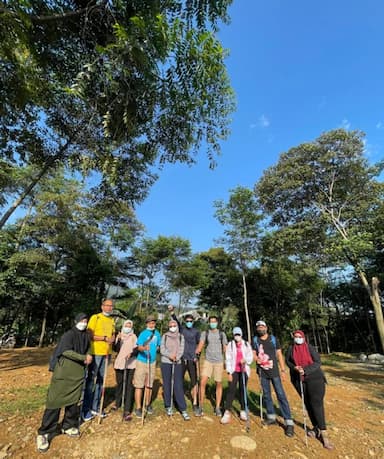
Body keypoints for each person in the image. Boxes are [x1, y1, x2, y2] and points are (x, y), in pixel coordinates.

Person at [36, 313, 92, 453]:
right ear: (76, 321)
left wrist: (89, 354)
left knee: (73, 402)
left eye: (86, 321)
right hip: (63, 374)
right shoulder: (68, 335)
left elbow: (89, 348)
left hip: (77, 374)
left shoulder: (86, 336)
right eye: (82, 320)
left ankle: (68, 426)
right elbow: (66, 351)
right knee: (54, 402)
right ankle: (44, 433)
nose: (84, 323)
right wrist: (83, 357)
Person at [285, 330, 334, 449]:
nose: (297, 339)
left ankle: (324, 434)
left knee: (316, 404)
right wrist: (295, 367)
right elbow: (288, 361)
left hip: (315, 378)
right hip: (299, 380)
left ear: (303, 337)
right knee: (307, 403)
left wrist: (305, 370)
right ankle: (316, 427)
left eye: (299, 337)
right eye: (295, 337)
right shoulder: (291, 349)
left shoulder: (310, 348)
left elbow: (318, 362)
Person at [253, 320, 294, 437]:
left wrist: (283, 370)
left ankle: (289, 422)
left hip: (275, 372)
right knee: (266, 395)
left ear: (266, 327)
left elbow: (279, 354)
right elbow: (253, 353)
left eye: (262, 326)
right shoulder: (255, 340)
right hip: (262, 372)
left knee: (281, 395)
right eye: (258, 327)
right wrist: (256, 359)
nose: (261, 328)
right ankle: (271, 416)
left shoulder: (273, 339)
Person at [81, 298, 115, 421]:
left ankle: (96, 407)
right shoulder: (96, 317)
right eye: (107, 305)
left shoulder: (112, 320)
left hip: (107, 354)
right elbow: (89, 334)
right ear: (102, 306)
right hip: (96, 353)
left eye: (111, 306)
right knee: (91, 381)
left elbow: (113, 334)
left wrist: (113, 338)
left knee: (101, 381)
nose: (109, 308)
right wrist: (105, 338)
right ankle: (85, 409)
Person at [168, 305, 201, 415]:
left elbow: (199, 344)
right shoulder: (182, 329)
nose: (189, 322)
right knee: (179, 380)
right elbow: (175, 320)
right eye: (187, 321)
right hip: (182, 359)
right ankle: (177, 400)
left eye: (190, 321)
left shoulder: (196, 332)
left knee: (194, 381)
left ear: (193, 321)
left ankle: (195, 403)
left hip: (192, 359)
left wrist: (197, 355)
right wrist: (172, 312)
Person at [196, 315, 228, 416]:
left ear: (217, 323)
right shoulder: (205, 333)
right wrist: (197, 351)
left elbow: (225, 347)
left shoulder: (222, 334)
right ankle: (200, 406)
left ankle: (217, 407)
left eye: (214, 321)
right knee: (202, 382)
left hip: (218, 361)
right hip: (208, 360)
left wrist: (226, 360)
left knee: (218, 383)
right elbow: (201, 344)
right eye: (211, 321)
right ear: (209, 323)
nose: (212, 323)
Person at [221, 327, 253, 424]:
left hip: (244, 370)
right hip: (234, 370)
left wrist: (245, 360)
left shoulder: (246, 344)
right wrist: (229, 372)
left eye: (238, 334)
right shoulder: (230, 345)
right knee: (231, 390)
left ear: (241, 335)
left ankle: (243, 410)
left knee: (243, 390)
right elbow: (228, 359)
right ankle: (227, 412)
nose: (237, 336)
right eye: (235, 334)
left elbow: (250, 357)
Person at [160, 318, 190, 420]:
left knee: (178, 385)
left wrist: (176, 357)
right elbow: (162, 349)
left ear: (177, 326)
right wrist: (169, 355)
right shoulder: (164, 336)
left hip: (177, 362)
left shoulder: (181, 337)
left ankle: (183, 408)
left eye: (174, 325)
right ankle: (168, 405)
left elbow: (182, 348)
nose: (172, 327)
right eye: (171, 326)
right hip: (166, 362)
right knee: (167, 384)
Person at [133, 315, 161, 417]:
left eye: (153, 322)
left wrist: (156, 349)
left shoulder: (157, 334)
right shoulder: (143, 334)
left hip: (152, 362)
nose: (152, 324)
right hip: (142, 361)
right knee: (139, 385)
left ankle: (147, 404)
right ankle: (138, 407)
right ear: (147, 324)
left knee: (149, 385)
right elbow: (139, 347)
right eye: (150, 323)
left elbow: (158, 346)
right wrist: (144, 348)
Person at [112, 319, 137, 421]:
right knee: (120, 383)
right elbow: (116, 349)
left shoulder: (134, 337)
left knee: (129, 386)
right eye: (126, 325)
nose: (128, 327)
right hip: (120, 362)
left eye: (129, 326)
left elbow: (136, 349)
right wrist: (117, 340)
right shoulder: (120, 336)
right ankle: (117, 402)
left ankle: (127, 409)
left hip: (130, 363)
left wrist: (131, 354)